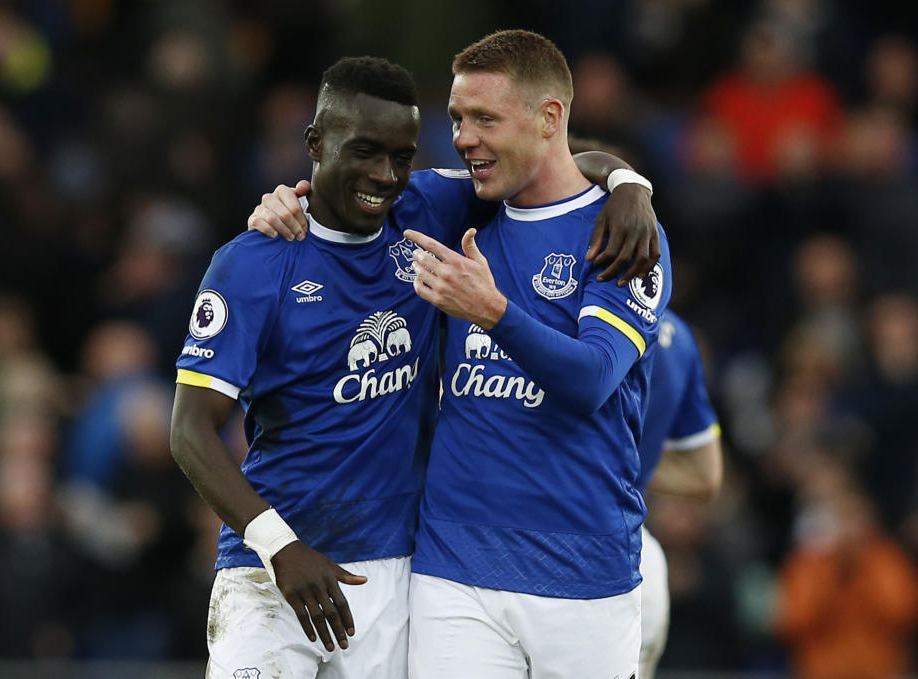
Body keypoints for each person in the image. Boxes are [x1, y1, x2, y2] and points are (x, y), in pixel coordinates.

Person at [171, 55, 658, 679]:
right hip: (271, 568)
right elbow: (189, 431)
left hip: (393, 567)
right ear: (315, 143)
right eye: (366, 152)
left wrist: (628, 185)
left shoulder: (426, 211)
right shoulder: (254, 262)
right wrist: (280, 546)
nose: (385, 176)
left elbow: (550, 163)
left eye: (402, 157)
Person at [398, 30, 671, 678]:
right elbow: (351, 191)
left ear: (550, 118)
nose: (464, 138)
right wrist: (282, 208)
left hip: (584, 572)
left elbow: (592, 378)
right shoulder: (458, 206)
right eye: (459, 119)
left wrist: (492, 312)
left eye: (485, 119)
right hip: (454, 568)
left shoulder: (622, 231)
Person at [635, 310, 723, 678]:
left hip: (536, 546)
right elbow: (706, 476)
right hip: (638, 560)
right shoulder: (679, 336)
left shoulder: (547, 316)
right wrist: (630, 469)